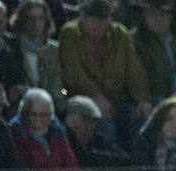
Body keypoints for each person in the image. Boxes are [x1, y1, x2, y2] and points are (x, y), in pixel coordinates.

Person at [58, 0, 151, 148]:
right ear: (83, 18)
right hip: (82, 97)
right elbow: (73, 72)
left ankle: (135, 164)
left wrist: (142, 99)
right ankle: (110, 161)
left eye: (102, 20)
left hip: (117, 98)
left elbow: (134, 70)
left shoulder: (120, 34)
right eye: (92, 19)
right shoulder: (70, 33)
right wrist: (95, 95)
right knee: (101, 119)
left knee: (140, 117)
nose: (97, 25)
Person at [11, 0, 67, 114]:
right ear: (22, 20)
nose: (36, 23)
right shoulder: (13, 47)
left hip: (51, 103)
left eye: (40, 18)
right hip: (23, 105)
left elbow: (57, 83)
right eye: (31, 18)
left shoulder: (54, 50)